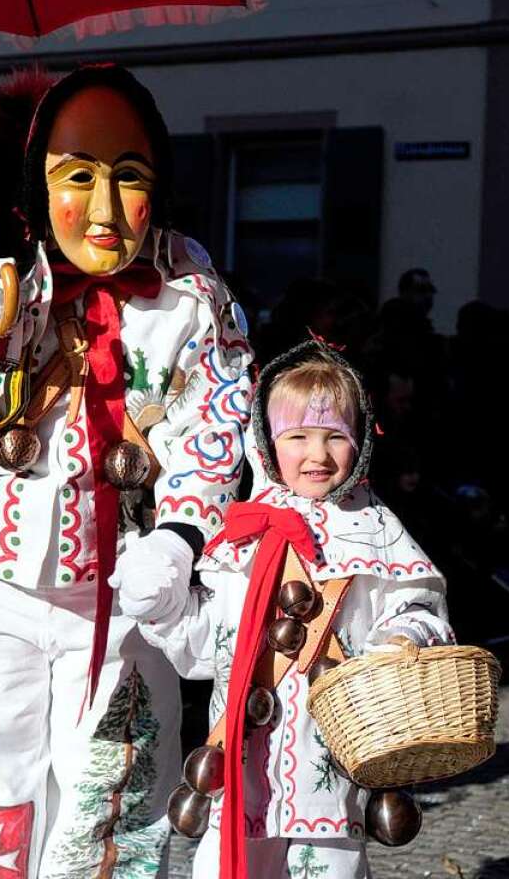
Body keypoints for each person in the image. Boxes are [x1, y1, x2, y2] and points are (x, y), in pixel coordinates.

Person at [0, 65, 253, 879]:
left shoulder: (191, 293)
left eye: (129, 177)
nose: (106, 211)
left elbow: (216, 419)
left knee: (109, 797)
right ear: (39, 180)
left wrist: (180, 541)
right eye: (78, 178)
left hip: (125, 601)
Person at [114, 339, 453, 879]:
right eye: (297, 437)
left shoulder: (378, 532)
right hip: (243, 764)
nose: (316, 456)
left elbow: (418, 606)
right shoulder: (242, 536)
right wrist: (161, 607)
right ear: (267, 444)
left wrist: (403, 640)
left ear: (360, 443)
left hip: (333, 767)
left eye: (334, 438)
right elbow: (207, 651)